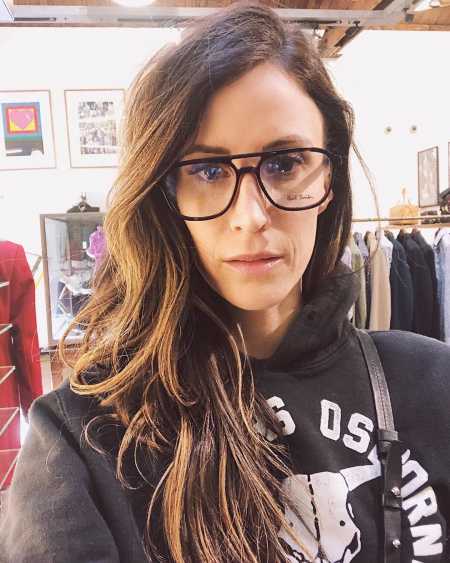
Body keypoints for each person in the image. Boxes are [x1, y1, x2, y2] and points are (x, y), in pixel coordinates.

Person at [1, 4, 449, 562]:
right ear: (166, 196)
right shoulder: (83, 436)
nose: (250, 216)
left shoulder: (430, 385)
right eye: (208, 171)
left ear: (328, 180)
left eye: (284, 163)